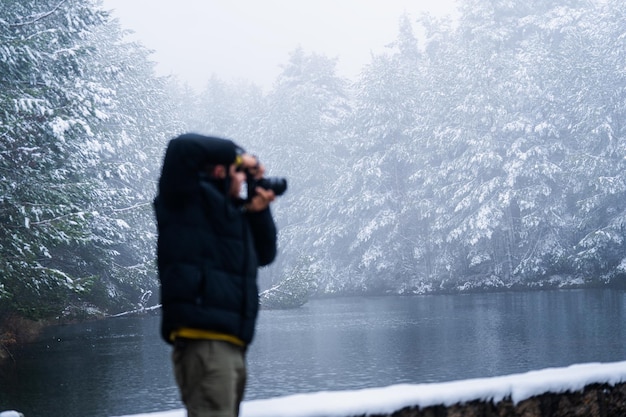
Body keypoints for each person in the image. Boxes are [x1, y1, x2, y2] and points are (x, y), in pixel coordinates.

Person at [153, 133, 278, 417]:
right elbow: (180, 147)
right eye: (240, 173)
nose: (244, 179)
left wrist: (259, 211)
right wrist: (237, 155)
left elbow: (265, 254)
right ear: (221, 169)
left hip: (231, 342)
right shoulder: (184, 198)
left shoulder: (234, 214)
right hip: (204, 341)